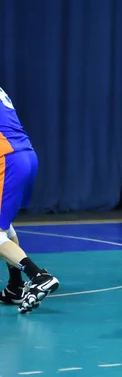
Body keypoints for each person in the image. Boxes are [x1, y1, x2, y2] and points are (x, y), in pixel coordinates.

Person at [0, 86, 59, 314]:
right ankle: (15, 287)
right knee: (4, 224)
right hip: (23, 154)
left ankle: (38, 277)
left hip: (8, 158)